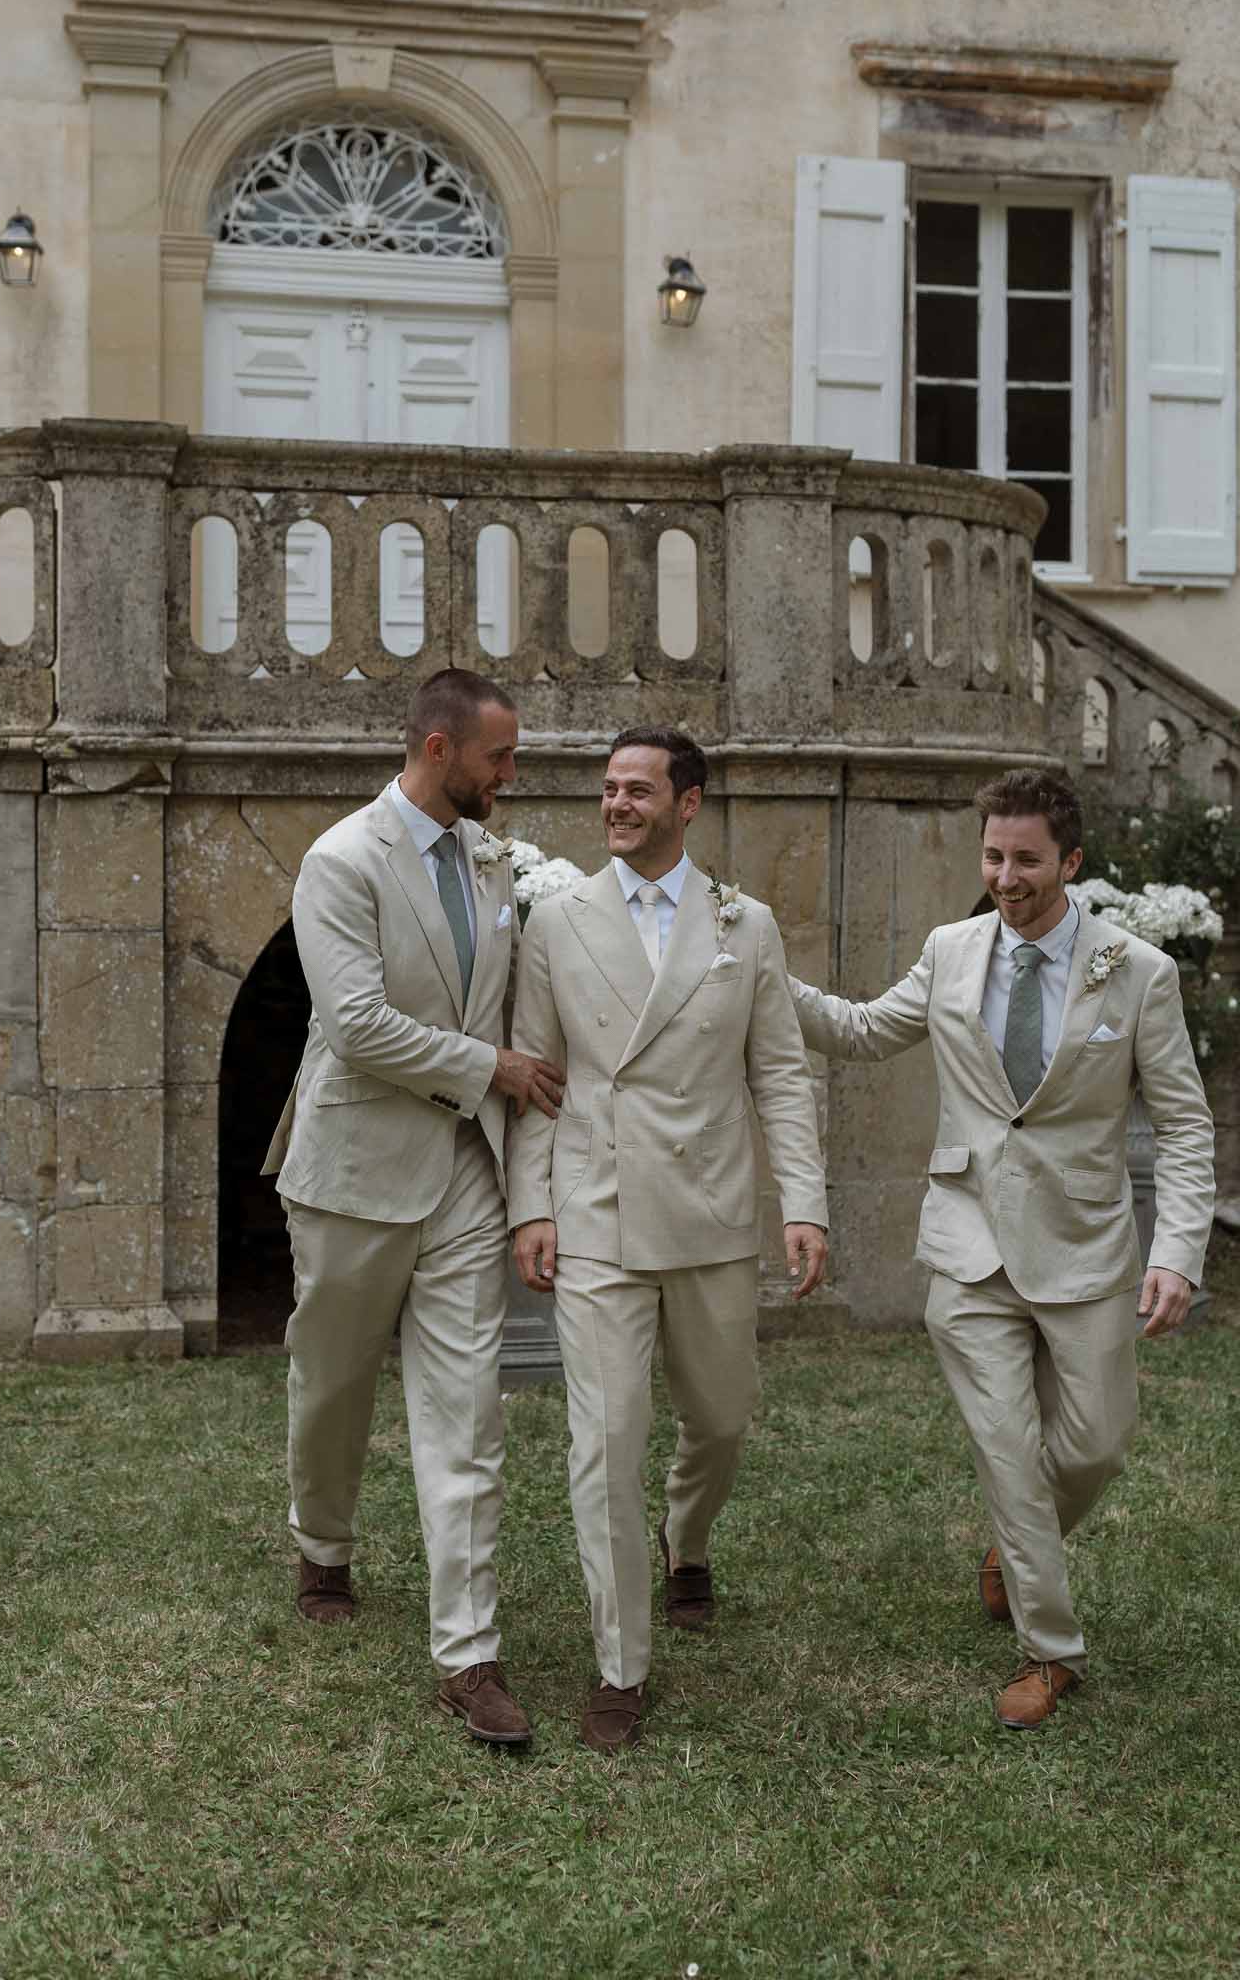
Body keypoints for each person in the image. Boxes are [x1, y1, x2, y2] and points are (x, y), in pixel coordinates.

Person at [789, 767, 1215, 1729]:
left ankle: (1016, 1551)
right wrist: (754, 967)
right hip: (969, 1244)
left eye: (1025, 860)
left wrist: (1176, 1251)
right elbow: (862, 1031)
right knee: (1010, 1455)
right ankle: (1049, 1651)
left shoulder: (1137, 972)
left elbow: (1184, 1125)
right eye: (992, 857)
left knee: (1095, 1445)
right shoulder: (950, 950)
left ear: (1070, 861)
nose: (1006, 877)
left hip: (1085, 1245)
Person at [507, 727, 828, 1752]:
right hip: (596, 1209)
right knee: (605, 1442)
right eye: (609, 788)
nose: (617, 804)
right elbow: (536, 1074)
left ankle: (686, 1536)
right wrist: (531, 1205)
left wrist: (804, 1201)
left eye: (638, 790)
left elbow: (780, 1072)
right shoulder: (556, 921)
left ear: (687, 804)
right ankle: (621, 1665)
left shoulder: (746, 924)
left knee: (721, 1418)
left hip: (710, 1209)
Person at [262, 668, 564, 1746]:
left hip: (467, 1173)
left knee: (467, 1412)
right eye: (499, 755)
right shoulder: (342, 860)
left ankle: (469, 1655)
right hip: (353, 1171)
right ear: (440, 750)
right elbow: (355, 1026)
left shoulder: (494, 860)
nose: (511, 773)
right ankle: (323, 1542)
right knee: (331, 1381)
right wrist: (491, 1067)